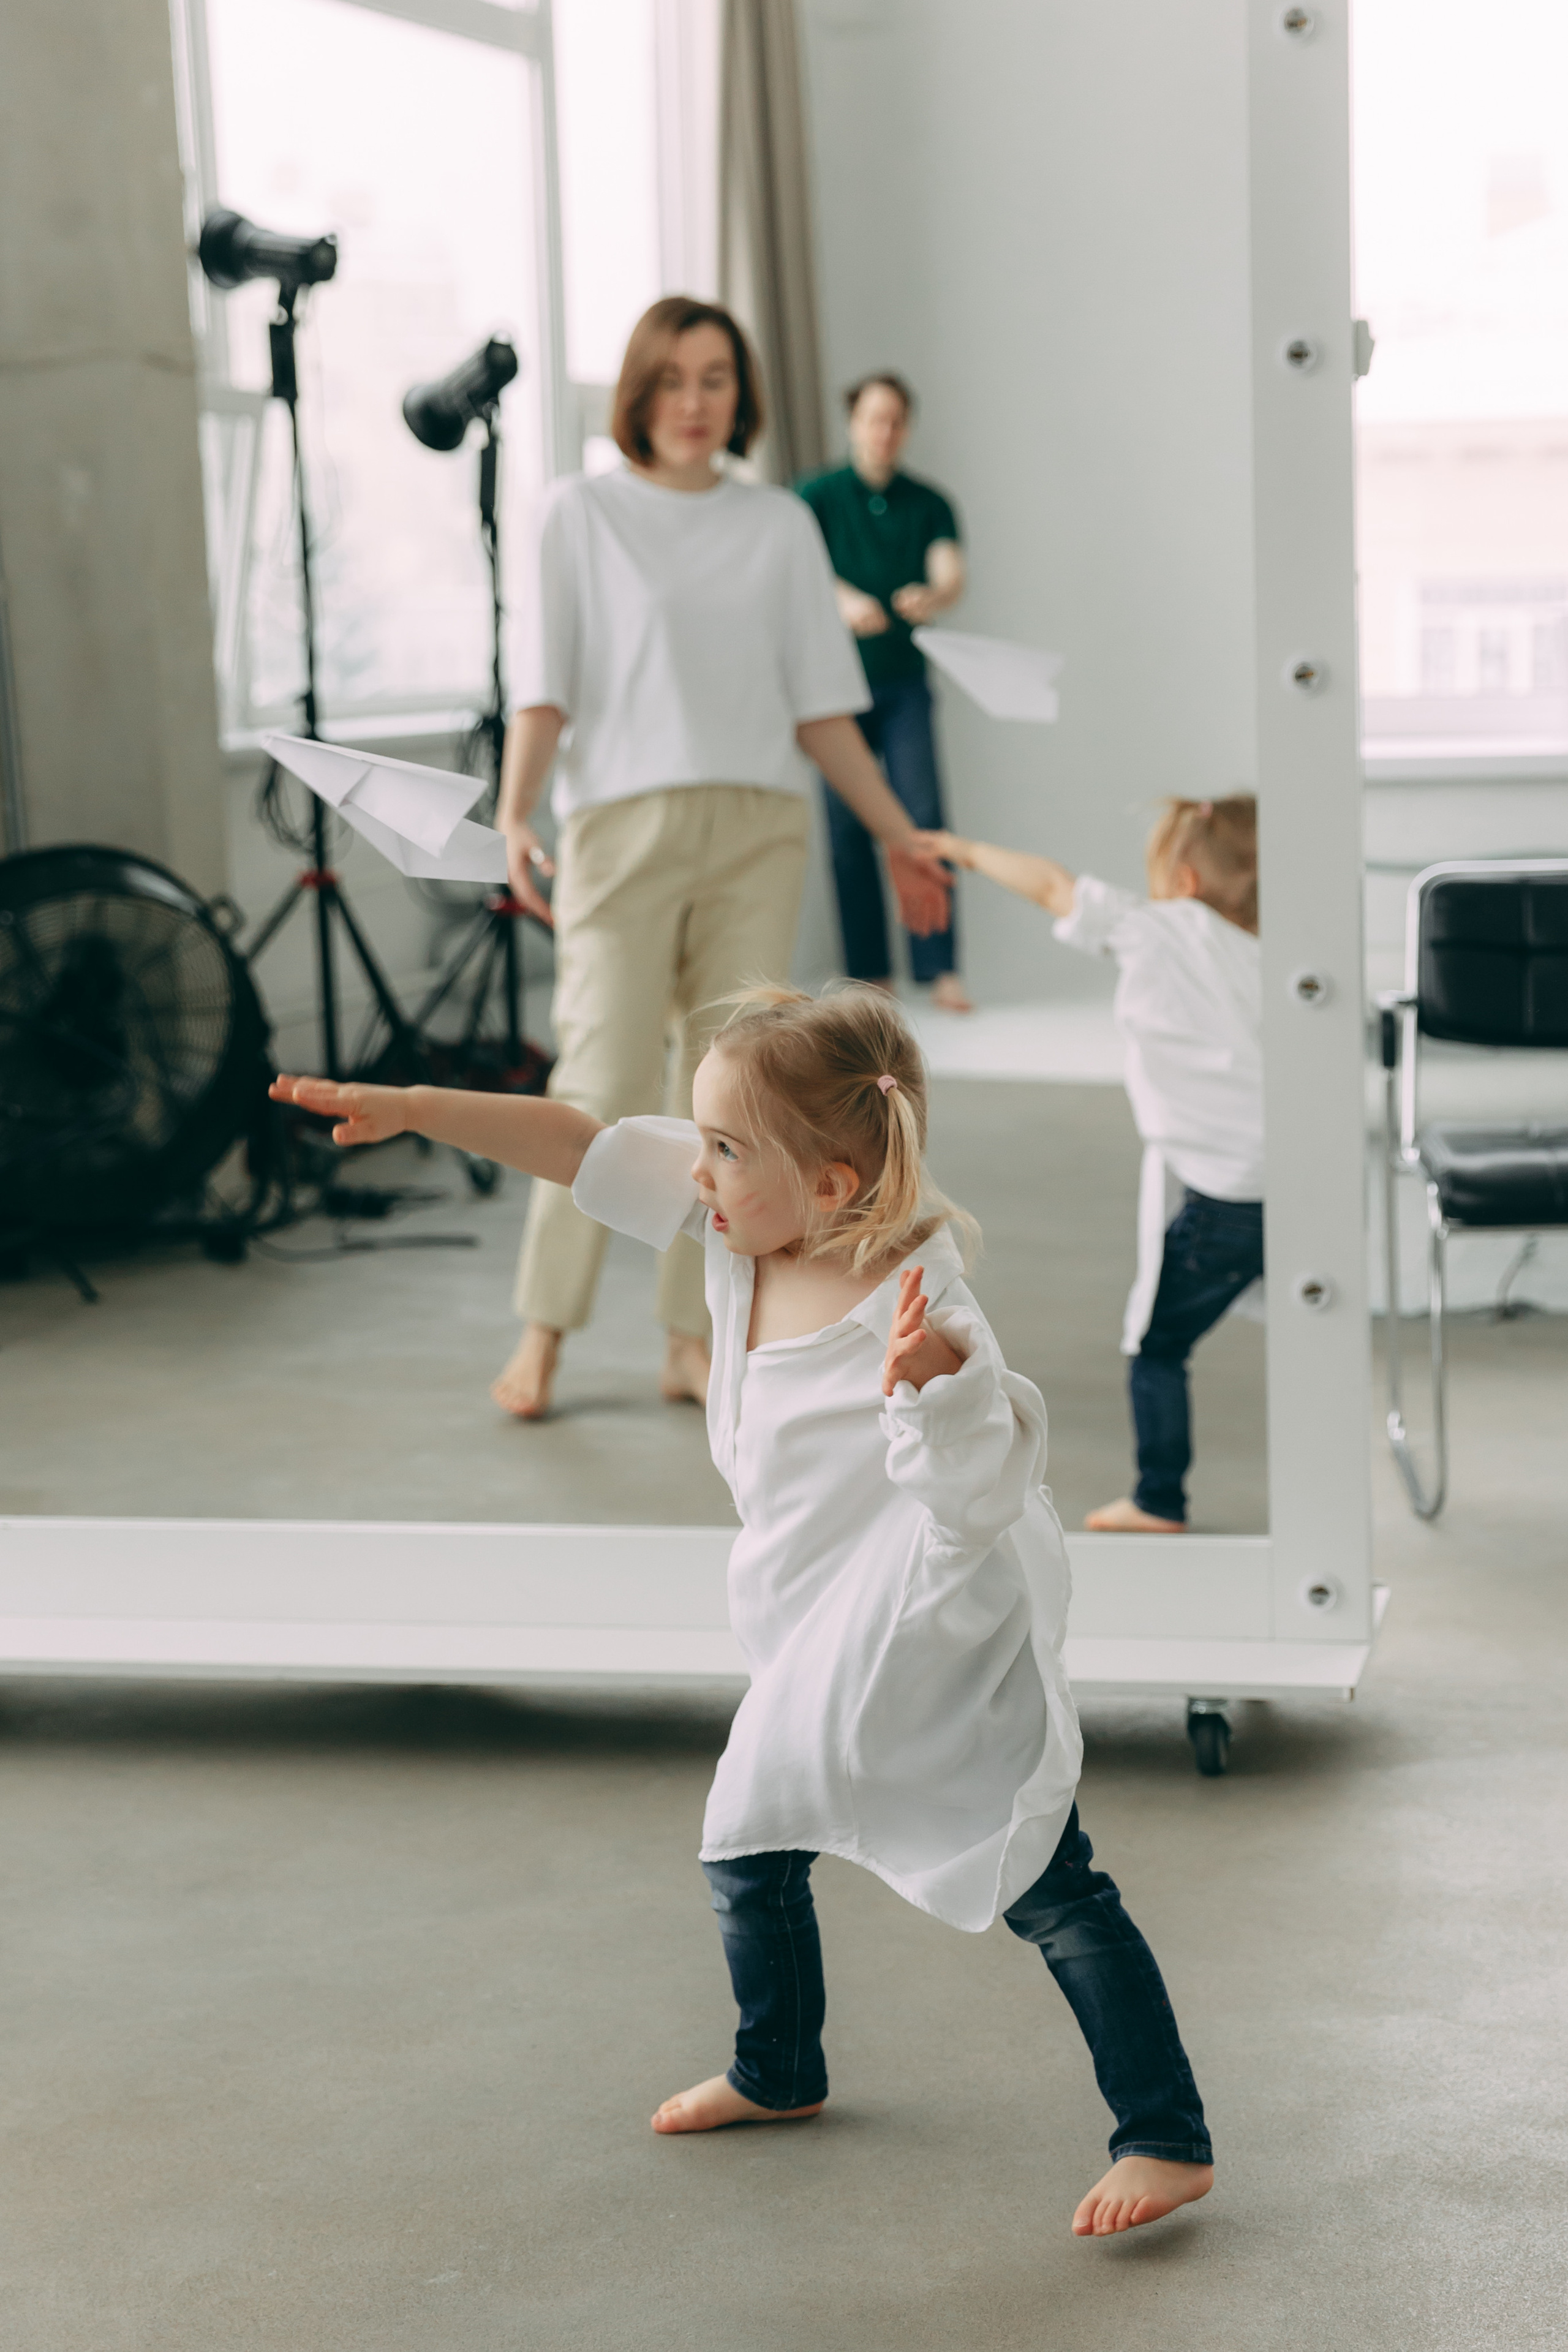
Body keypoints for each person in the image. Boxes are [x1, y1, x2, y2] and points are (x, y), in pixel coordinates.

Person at [270, 986, 1214, 2239]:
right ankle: (778, 2071)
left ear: (829, 1186)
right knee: (745, 1841)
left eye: (721, 1147)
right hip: (810, 1611)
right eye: (701, 1144)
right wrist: (413, 1109)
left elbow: (982, 1486)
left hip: (926, 1631)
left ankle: (1165, 2134)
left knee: (1046, 1881)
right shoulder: (745, 1220)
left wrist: (934, 1393)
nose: (695, 1172)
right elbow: (574, 1139)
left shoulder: (920, 1306)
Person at [491, 300, 951, 1422]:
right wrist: (514, 814)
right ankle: (542, 1331)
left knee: (731, 1110)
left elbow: (823, 711)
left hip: (758, 829)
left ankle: (694, 1338)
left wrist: (900, 834)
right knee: (597, 1083)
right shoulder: (579, 514)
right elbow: (545, 687)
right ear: (638, 394)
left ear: (741, 393)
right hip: (622, 830)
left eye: (717, 380)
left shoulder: (780, 526)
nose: (697, 403)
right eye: (674, 381)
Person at [916, 799, 1262, 1534]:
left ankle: (1157, 1499)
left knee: (1157, 1346)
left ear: (1187, 879)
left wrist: (965, 849)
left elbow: (1050, 885)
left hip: (1225, 1200)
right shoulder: (1288, 959)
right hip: (1306, 1188)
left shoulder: (1155, 928)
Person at [797, 375, 973, 1013]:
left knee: (923, 821)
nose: (884, 432)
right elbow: (795, 569)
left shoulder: (928, 503)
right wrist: (840, 600)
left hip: (902, 685)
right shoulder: (814, 497)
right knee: (847, 831)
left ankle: (941, 968)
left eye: (896, 420)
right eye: (874, 419)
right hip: (835, 692)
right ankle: (870, 975)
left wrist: (935, 596)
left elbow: (949, 571)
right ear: (853, 423)